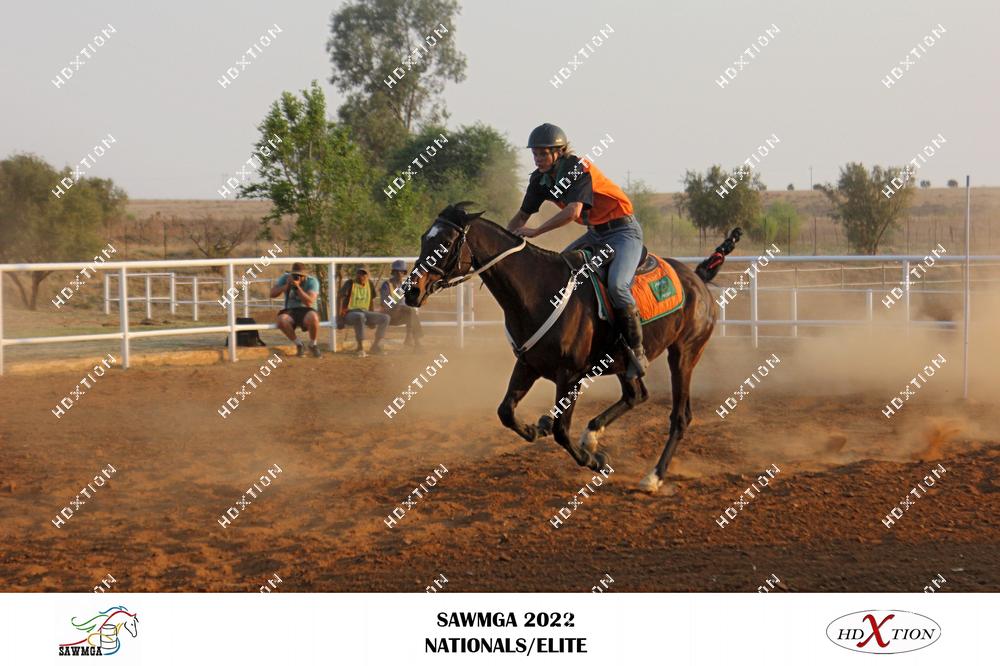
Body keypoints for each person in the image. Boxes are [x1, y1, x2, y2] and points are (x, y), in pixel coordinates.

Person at [506, 123, 649, 378]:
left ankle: (637, 350)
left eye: (543, 153)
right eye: (535, 153)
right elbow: (521, 216)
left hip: (623, 232)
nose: (538, 158)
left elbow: (573, 212)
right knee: (561, 272)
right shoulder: (539, 179)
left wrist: (536, 232)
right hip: (596, 233)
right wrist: (503, 244)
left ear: (559, 152)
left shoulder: (576, 168)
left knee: (617, 286)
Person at [270, 262, 322, 358]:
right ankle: (299, 344)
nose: (297, 277)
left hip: (307, 310)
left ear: (305, 276)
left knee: (314, 317)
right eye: (295, 275)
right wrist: (286, 286)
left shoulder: (312, 281)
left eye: (300, 276)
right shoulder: (285, 278)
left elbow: (309, 302)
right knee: (281, 320)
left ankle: (313, 344)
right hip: (290, 310)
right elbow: (272, 294)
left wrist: (297, 288)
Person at [338, 266, 389, 357]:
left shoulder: (370, 284)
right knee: (360, 316)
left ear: (368, 275)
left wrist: (372, 318)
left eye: (364, 274)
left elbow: (371, 301)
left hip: (365, 312)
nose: (361, 276)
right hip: (350, 313)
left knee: (385, 318)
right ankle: (360, 347)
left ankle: (375, 346)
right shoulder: (350, 283)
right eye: (359, 273)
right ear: (356, 274)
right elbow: (340, 299)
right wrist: (340, 318)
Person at [379, 260, 424, 350]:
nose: (399, 274)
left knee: (411, 312)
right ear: (393, 273)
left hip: (401, 314)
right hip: (389, 314)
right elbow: (385, 303)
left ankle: (415, 342)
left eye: (402, 272)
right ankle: (413, 340)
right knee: (410, 311)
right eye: (397, 272)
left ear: (404, 273)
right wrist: (398, 306)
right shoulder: (387, 285)